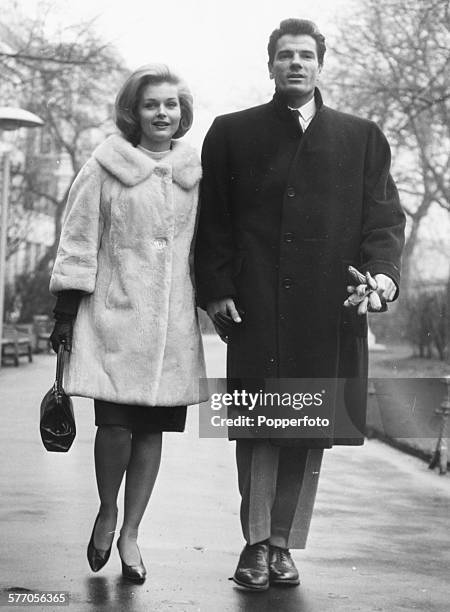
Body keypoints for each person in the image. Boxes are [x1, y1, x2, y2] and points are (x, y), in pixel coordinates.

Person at [195, 18, 405, 591]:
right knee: (260, 426)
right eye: (284, 55)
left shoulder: (361, 136)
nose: (295, 63)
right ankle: (254, 544)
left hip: (327, 308)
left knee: (307, 427)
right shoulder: (231, 132)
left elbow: (384, 220)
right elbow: (211, 220)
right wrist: (215, 289)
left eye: (305, 55)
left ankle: (284, 545)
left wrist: (381, 280)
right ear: (270, 66)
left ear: (320, 65)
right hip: (255, 304)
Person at [49, 64, 206, 583]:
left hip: (171, 325)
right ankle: (106, 509)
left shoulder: (195, 172)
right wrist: (66, 312)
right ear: (133, 112)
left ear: (181, 113)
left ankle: (132, 532)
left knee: (152, 431)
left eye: (171, 105)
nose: (162, 113)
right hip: (113, 317)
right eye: (151, 105)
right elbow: (77, 239)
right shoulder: (105, 166)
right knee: (114, 426)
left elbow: (208, 247)